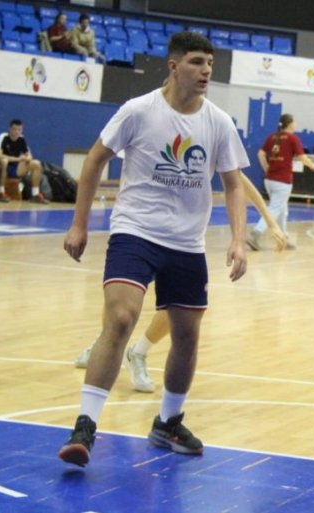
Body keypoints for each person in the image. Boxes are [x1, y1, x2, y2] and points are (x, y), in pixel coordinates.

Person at [58, 32, 250, 467]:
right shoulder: (139, 110)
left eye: (210, 64)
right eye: (197, 62)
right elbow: (94, 160)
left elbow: (234, 184)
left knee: (186, 334)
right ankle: (85, 425)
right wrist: (79, 223)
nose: (206, 71)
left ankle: (168, 421)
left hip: (186, 242)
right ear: (173, 65)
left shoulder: (219, 122)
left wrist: (238, 240)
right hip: (136, 231)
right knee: (121, 318)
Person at [74, 172, 287, 392]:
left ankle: (138, 352)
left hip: (182, 237)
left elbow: (239, 180)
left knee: (178, 306)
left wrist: (270, 221)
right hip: (138, 229)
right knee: (120, 298)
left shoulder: (208, 149)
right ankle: (106, 343)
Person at [245, 113, 314, 251]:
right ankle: (255, 234)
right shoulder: (292, 138)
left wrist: (266, 168)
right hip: (282, 181)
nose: (295, 124)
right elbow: (302, 157)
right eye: (294, 122)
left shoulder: (272, 137)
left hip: (269, 180)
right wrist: (312, 165)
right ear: (290, 124)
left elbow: (260, 154)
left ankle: (283, 239)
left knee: (282, 211)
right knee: (274, 209)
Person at [0, 119, 48, 204]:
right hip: (3, 167)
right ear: (10, 129)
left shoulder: (21, 139)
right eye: (14, 129)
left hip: (16, 168)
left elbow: (29, 155)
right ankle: (1, 193)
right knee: (4, 161)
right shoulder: (3, 137)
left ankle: (35, 194)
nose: (16, 132)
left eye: (19, 130)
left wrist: (27, 158)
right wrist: (17, 159)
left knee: (36, 163)